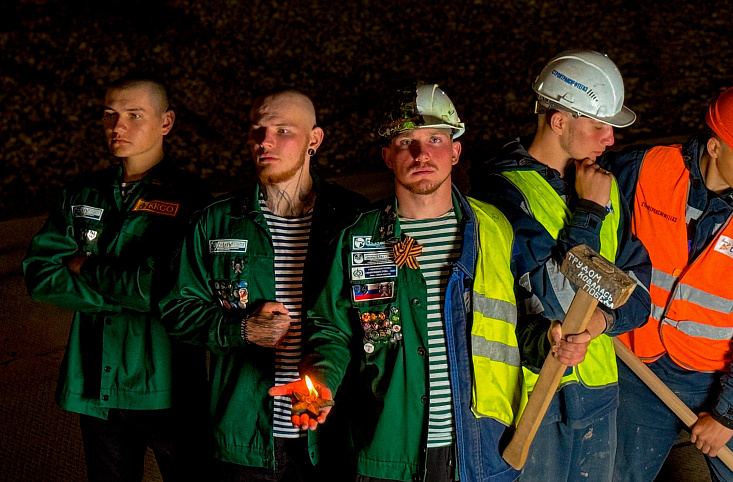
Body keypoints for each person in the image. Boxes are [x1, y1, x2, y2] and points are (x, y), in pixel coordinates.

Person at [271, 82, 550, 482]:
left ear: (455, 150)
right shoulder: (358, 238)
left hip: (481, 448)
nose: (422, 154)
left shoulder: (493, 229)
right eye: (406, 142)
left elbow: (520, 321)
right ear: (387, 155)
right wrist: (322, 382)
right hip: (388, 452)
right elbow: (330, 329)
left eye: (435, 139)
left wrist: (551, 340)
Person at [160, 89, 369, 481]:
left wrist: (324, 377)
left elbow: (375, 320)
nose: (265, 142)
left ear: (314, 139)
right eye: (257, 130)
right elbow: (177, 308)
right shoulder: (216, 221)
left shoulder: (355, 219)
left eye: (283, 130)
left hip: (335, 435)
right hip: (244, 435)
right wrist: (241, 329)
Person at [467, 50, 651, 480]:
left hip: (597, 391)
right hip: (537, 396)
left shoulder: (603, 187)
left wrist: (599, 324)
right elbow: (560, 299)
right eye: (599, 125)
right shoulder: (503, 193)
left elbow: (641, 295)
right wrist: (588, 212)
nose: (610, 139)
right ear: (559, 121)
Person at [22, 74, 212, 481]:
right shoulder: (82, 192)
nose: (117, 126)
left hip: (167, 386)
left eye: (134, 115)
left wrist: (87, 269)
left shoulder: (190, 199)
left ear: (166, 122)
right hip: (97, 383)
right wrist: (118, 294)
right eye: (110, 114)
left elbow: (158, 287)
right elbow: (40, 273)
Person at [603, 85, 733, 481]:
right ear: (714, 147)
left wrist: (728, 413)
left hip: (718, 381)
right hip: (639, 370)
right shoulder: (644, 171)